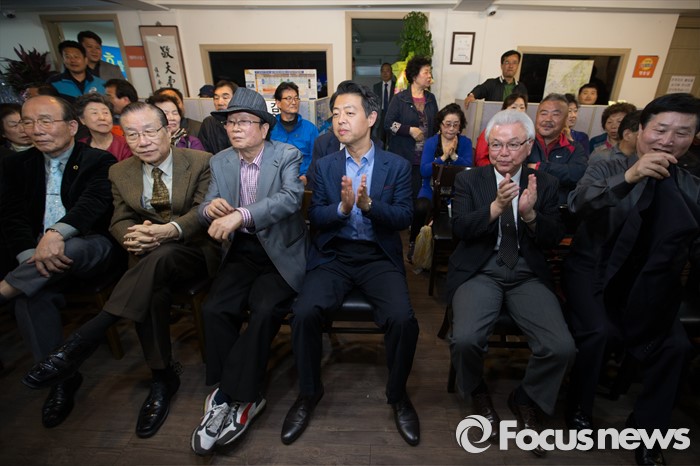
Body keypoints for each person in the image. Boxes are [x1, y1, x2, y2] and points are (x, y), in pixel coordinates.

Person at [21, 101, 218, 438]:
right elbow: (119, 220)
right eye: (132, 134)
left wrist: (165, 232)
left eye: (150, 131)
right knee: (152, 287)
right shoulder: (120, 171)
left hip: (193, 251)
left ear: (168, 130)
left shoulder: (201, 161)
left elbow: (202, 212)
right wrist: (136, 237)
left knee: (161, 258)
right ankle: (162, 376)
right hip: (147, 255)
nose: (143, 141)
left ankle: (85, 339)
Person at [281, 81, 420, 447]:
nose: (340, 120)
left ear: (371, 118)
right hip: (335, 255)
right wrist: (343, 209)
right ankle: (308, 393)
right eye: (336, 114)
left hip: (378, 256)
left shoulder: (396, 166)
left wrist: (370, 207)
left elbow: (404, 217)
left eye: (349, 112)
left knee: (403, 320)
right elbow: (316, 217)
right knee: (304, 313)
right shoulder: (325, 165)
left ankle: (398, 396)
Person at [564, 93, 700, 466]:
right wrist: (630, 177)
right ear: (641, 129)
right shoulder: (607, 164)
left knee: (676, 346)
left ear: (692, 138)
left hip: (651, 282)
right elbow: (577, 205)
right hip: (593, 270)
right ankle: (578, 408)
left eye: (682, 133)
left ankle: (648, 431)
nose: (668, 141)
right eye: (661, 129)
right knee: (599, 332)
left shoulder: (692, 184)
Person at [447, 109, 575, 458]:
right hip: (481, 269)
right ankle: (476, 390)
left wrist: (530, 214)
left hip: (526, 272)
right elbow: (460, 229)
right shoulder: (470, 180)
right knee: (465, 339)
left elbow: (553, 237)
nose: (503, 153)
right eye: (496, 144)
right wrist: (495, 207)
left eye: (513, 144)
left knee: (561, 347)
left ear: (529, 146)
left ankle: (526, 398)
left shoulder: (544, 182)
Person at [190, 87, 308, 455]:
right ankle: (242, 394)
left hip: (281, 252)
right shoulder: (221, 161)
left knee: (264, 309)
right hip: (242, 251)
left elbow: (290, 199)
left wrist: (241, 214)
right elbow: (205, 205)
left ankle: (230, 396)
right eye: (230, 122)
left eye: (244, 121)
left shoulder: (286, 154)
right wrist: (210, 210)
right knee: (214, 309)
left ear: (264, 128)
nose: (235, 128)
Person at [0, 95, 116, 428]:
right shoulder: (16, 165)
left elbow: (93, 205)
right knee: (29, 297)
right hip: (35, 258)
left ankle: (5, 288)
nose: (36, 129)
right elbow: (12, 216)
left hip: (90, 246)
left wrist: (55, 234)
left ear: (72, 126)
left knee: (71, 247)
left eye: (46, 121)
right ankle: (61, 378)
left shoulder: (97, 160)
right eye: (28, 122)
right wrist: (30, 256)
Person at [407, 103, 472, 262]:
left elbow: (468, 170)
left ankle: (456, 251)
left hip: (455, 192)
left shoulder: (465, 143)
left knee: (465, 211)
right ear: (441, 125)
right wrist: (443, 157)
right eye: (447, 124)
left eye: (455, 125)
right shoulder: (431, 142)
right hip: (431, 188)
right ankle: (414, 243)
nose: (451, 129)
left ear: (460, 127)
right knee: (421, 207)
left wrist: (454, 156)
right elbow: (424, 171)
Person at [385, 55, 438, 198]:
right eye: (426, 72)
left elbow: (435, 125)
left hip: (424, 159)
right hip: (404, 156)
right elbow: (388, 124)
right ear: (415, 76)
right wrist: (408, 130)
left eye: (430, 72)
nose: (430, 76)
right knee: (402, 196)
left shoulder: (431, 98)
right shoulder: (400, 99)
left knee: (419, 197)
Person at [526, 93, 588, 204]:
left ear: (565, 120)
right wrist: (560, 171)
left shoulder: (575, 148)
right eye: (543, 113)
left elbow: (576, 174)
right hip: (525, 205)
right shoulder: (524, 142)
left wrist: (539, 167)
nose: (548, 119)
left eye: (555, 114)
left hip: (558, 208)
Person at [269, 82, 319, 183]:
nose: (294, 102)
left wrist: (306, 176)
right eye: (288, 98)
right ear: (278, 103)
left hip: (302, 181)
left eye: (296, 98)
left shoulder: (310, 129)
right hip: (274, 181)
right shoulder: (269, 128)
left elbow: (316, 157)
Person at [474, 93, 528, 167]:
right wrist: (499, 169)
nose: (518, 111)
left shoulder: (528, 132)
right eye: (514, 107)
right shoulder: (492, 130)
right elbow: (480, 160)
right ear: (504, 110)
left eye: (522, 107)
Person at [74, 93, 131, 161]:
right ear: (82, 120)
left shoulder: (126, 144)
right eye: (94, 113)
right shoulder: (79, 147)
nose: (102, 118)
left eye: (105, 112)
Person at [464, 50, 528, 109]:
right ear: (501, 65)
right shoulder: (491, 83)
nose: (511, 66)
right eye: (507, 62)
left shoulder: (521, 87)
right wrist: (471, 95)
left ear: (518, 66)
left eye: (514, 63)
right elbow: (480, 89)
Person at [199, 80, 238, 154]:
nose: (219, 102)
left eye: (225, 97)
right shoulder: (209, 123)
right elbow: (202, 154)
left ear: (236, 99)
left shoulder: (244, 122)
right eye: (216, 98)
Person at [372, 62, 396, 147]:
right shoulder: (376, 87)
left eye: (387, 71)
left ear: (391, 73)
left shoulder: (397, 86)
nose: (385, 73)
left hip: (393, 116)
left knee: (392, 140)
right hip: (380, 117)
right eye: (383, 71)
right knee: (379, 141)